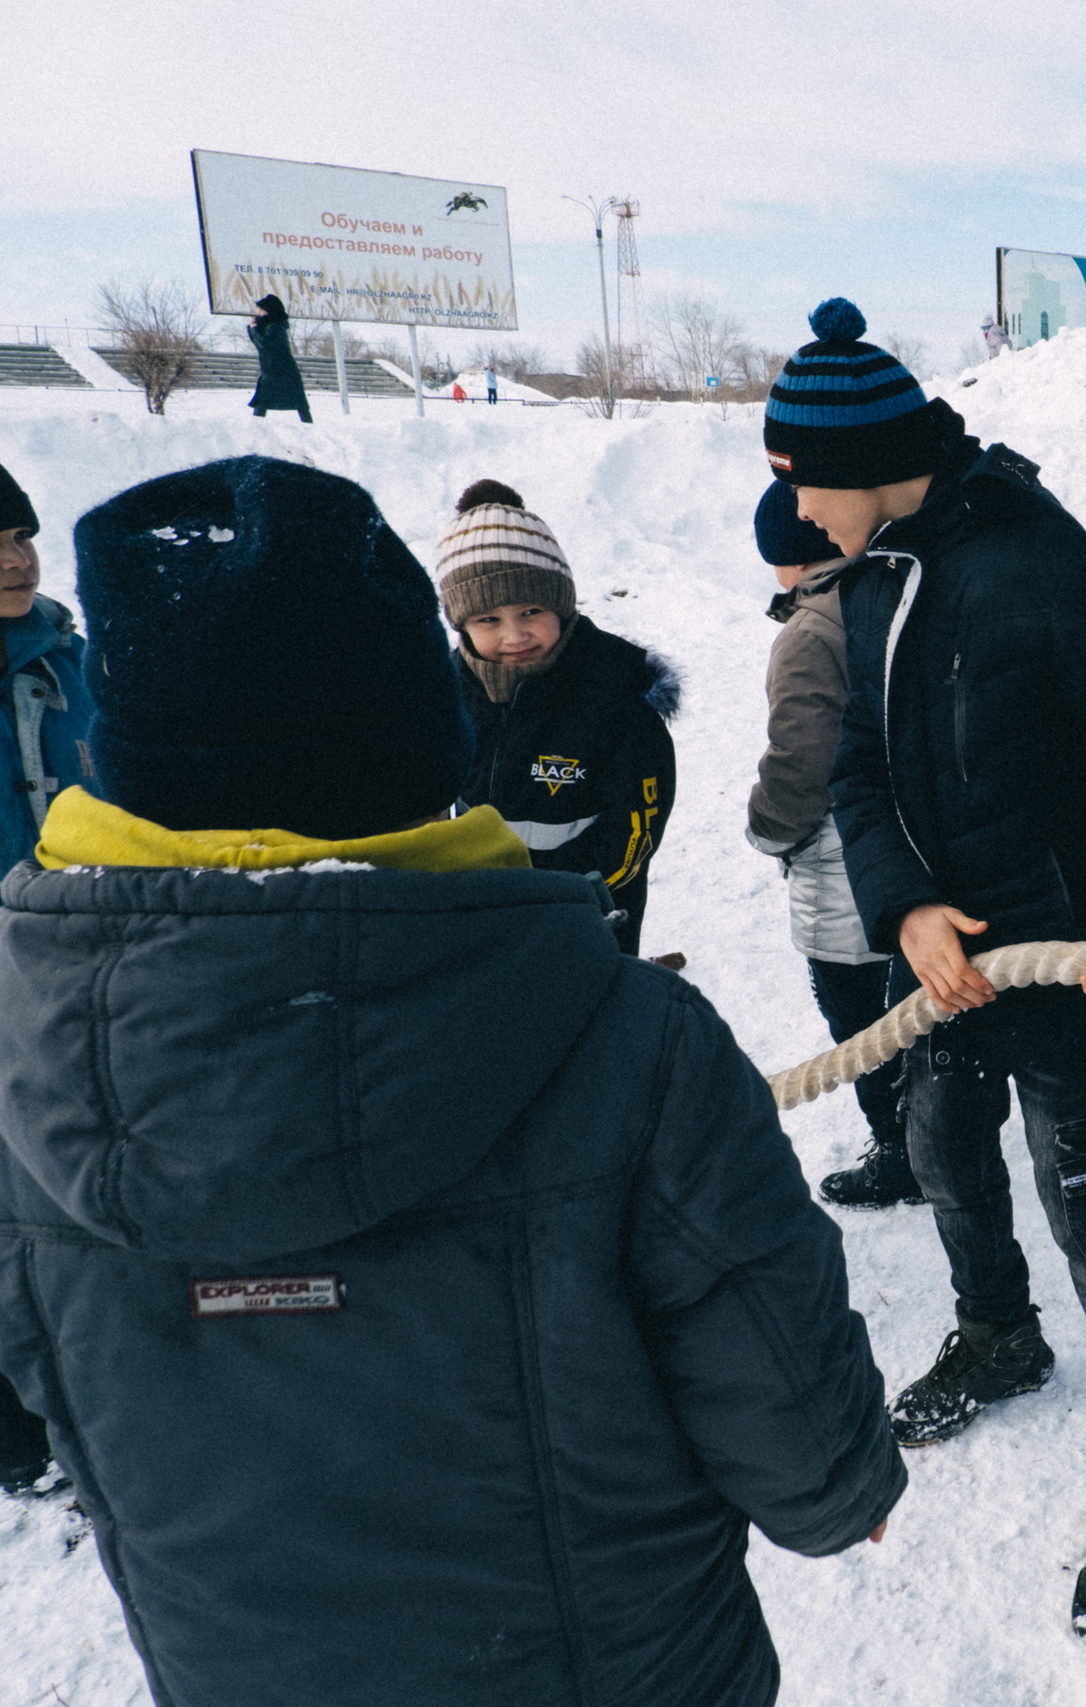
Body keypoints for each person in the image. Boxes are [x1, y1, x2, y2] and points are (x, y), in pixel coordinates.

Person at [0, 454, 904, 1707]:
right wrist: (844, 1495)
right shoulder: (636, 1045)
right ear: (423, 725)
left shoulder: (20, 1053)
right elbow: (804, 1448)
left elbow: (43, 1376)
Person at [770, 296, 1086, 1640]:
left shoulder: (1048, 563)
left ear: (860, 458)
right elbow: (853, 766)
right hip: (950, 968)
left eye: (796, 477)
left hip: (1064, 967)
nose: (791, 510)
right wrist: (905, 910)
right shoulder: (872, 579)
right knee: (946, 1142)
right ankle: (998, 1330)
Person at [746, 479, 917, 1209]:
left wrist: (765, 825)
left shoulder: (810, 632)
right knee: (910, 1002)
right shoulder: (891, 590)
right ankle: (927, 1130)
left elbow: (800, 760)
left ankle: (902, 1151)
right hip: (912, 847)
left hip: (842, 860)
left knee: (857, 1018)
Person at [437, 480, 678, 956]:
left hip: (588, 912)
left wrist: (577, 899)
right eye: (488, 620)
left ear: (562, 604)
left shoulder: (617, 693)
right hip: (483, 907)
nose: (514, 635)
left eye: (531, 610)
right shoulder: (445, 692)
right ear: (460, 623)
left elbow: (636, 827)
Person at [0, 460, 98, 1498]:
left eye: (22, 535)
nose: (17, 558)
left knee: (73, 1198)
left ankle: (91, 1412)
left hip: (77, 967)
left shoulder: (72, 664)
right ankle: (19, 1431)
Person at [245, 295, 311, 423]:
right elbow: (259, 344)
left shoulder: (275, 327)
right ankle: (256, 427)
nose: (258, 313)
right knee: (263, 401)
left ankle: (310, 427)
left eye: (261, 311)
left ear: (269, 311)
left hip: (282, 372)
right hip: (274, 370)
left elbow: (265, 344)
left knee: (298, 403)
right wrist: (253, 329)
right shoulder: (271, 326)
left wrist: (254, 329)